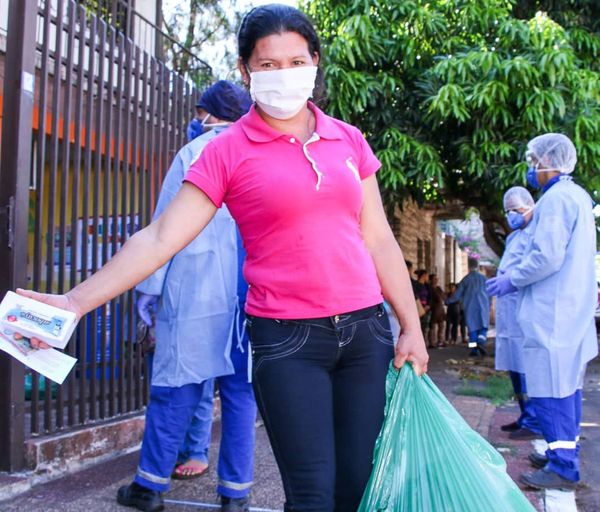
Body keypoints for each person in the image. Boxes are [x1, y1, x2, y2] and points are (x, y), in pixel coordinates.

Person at [18, 5, 428, 512]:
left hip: (366, 334)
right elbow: (160, 237)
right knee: (313, 495)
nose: (284, 76)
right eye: (268, 65)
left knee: (358, 487)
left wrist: (409, 324)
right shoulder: (227, 149)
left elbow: (380, 238)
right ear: (245, 71)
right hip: (289, 341)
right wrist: (73, 302)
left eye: (296, 62)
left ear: (315, 63)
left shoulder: (347, 139)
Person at [117, 81, 257, 512]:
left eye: (201, 112)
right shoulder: (260, 152)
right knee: (241, 395)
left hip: (195, 295)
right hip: (251, 297)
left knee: (175, 387)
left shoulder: (192, 155)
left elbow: (163, 232)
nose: (197, 120)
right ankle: (235, 495)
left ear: (212, 114)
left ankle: (151, 486)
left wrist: (148, 294)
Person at [487, 133, 597, 491]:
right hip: (569, 311)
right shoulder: (577, 197)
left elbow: (546, 257)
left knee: (551, 390)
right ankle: (560, 454)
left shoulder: (555, 201)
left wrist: (512, 280)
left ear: (550, 162)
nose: (532, 169)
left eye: (535, 162)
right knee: (565, 389)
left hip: (553, 314)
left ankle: (563, 466)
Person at [493, 187, 541, 441]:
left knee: (527, 367)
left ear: (530, 206)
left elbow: (534, 268)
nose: (512, 215)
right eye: (508, 210)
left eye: (517, 209)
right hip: (508, 311)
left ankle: (534, 419)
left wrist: (511, 280)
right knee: (514, 366)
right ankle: (524, 414)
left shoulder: (537, 233)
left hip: (524, 309)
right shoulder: (513, 238)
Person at [446, 257, 490, 356]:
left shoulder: (466, 280)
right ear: (478, 267)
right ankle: (481, 342)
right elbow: (490, 292)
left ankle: (474, 350)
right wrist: (489, 304)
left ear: (469, 267)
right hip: (483, 306)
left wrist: (448, 301)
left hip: (470, 307)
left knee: (472, 330)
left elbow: (457, 294)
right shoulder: (483, 279)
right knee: (483, 327)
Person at [414, 270, 432, 346]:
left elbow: (430, 297)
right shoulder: (416, 285)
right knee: (418, 327)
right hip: (418, 308)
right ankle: (417, 344)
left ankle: (423, 343)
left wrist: (428, 305)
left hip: (426, 309)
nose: (428, 278)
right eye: (427, 275)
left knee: (425, 327)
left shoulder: (427, 286)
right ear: (423, 275)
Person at [428, 274, 446, 348]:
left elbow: (444, 296)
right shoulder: (430, 288)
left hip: (440, 309)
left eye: (437, 278)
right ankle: (432, 342)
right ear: (431, 280)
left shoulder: (439, 288)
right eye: (434, 279)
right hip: (434, 309)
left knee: (441, 326)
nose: (436, 280)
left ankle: (440, 341)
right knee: (432, 327)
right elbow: (438, 298)